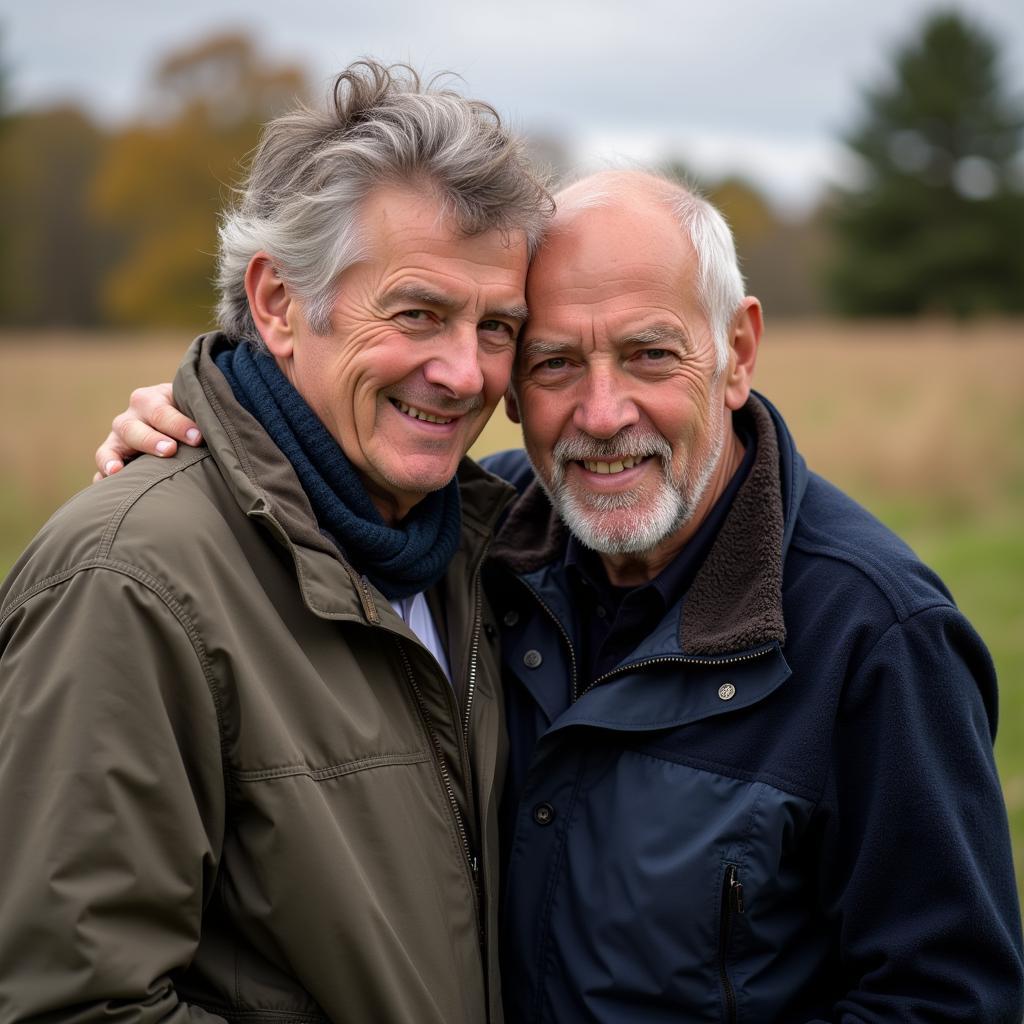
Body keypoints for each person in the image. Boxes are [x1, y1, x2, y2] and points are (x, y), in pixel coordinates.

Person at [94, 171, 1024, 1021]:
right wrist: (198, 432)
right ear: (506, 386)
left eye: (651, 356)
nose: (603, 413)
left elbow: (949, 1001)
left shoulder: (877, 636)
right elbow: (306, 471)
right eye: (554, 365)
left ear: (737, 351)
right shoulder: (480, 542)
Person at [0, 61, 552, 1024]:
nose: (464, 372)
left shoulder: (483, 548)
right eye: (418, 312)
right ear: (278, 303)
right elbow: (76, 1004)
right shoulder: (129, 581)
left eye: (496, 326)